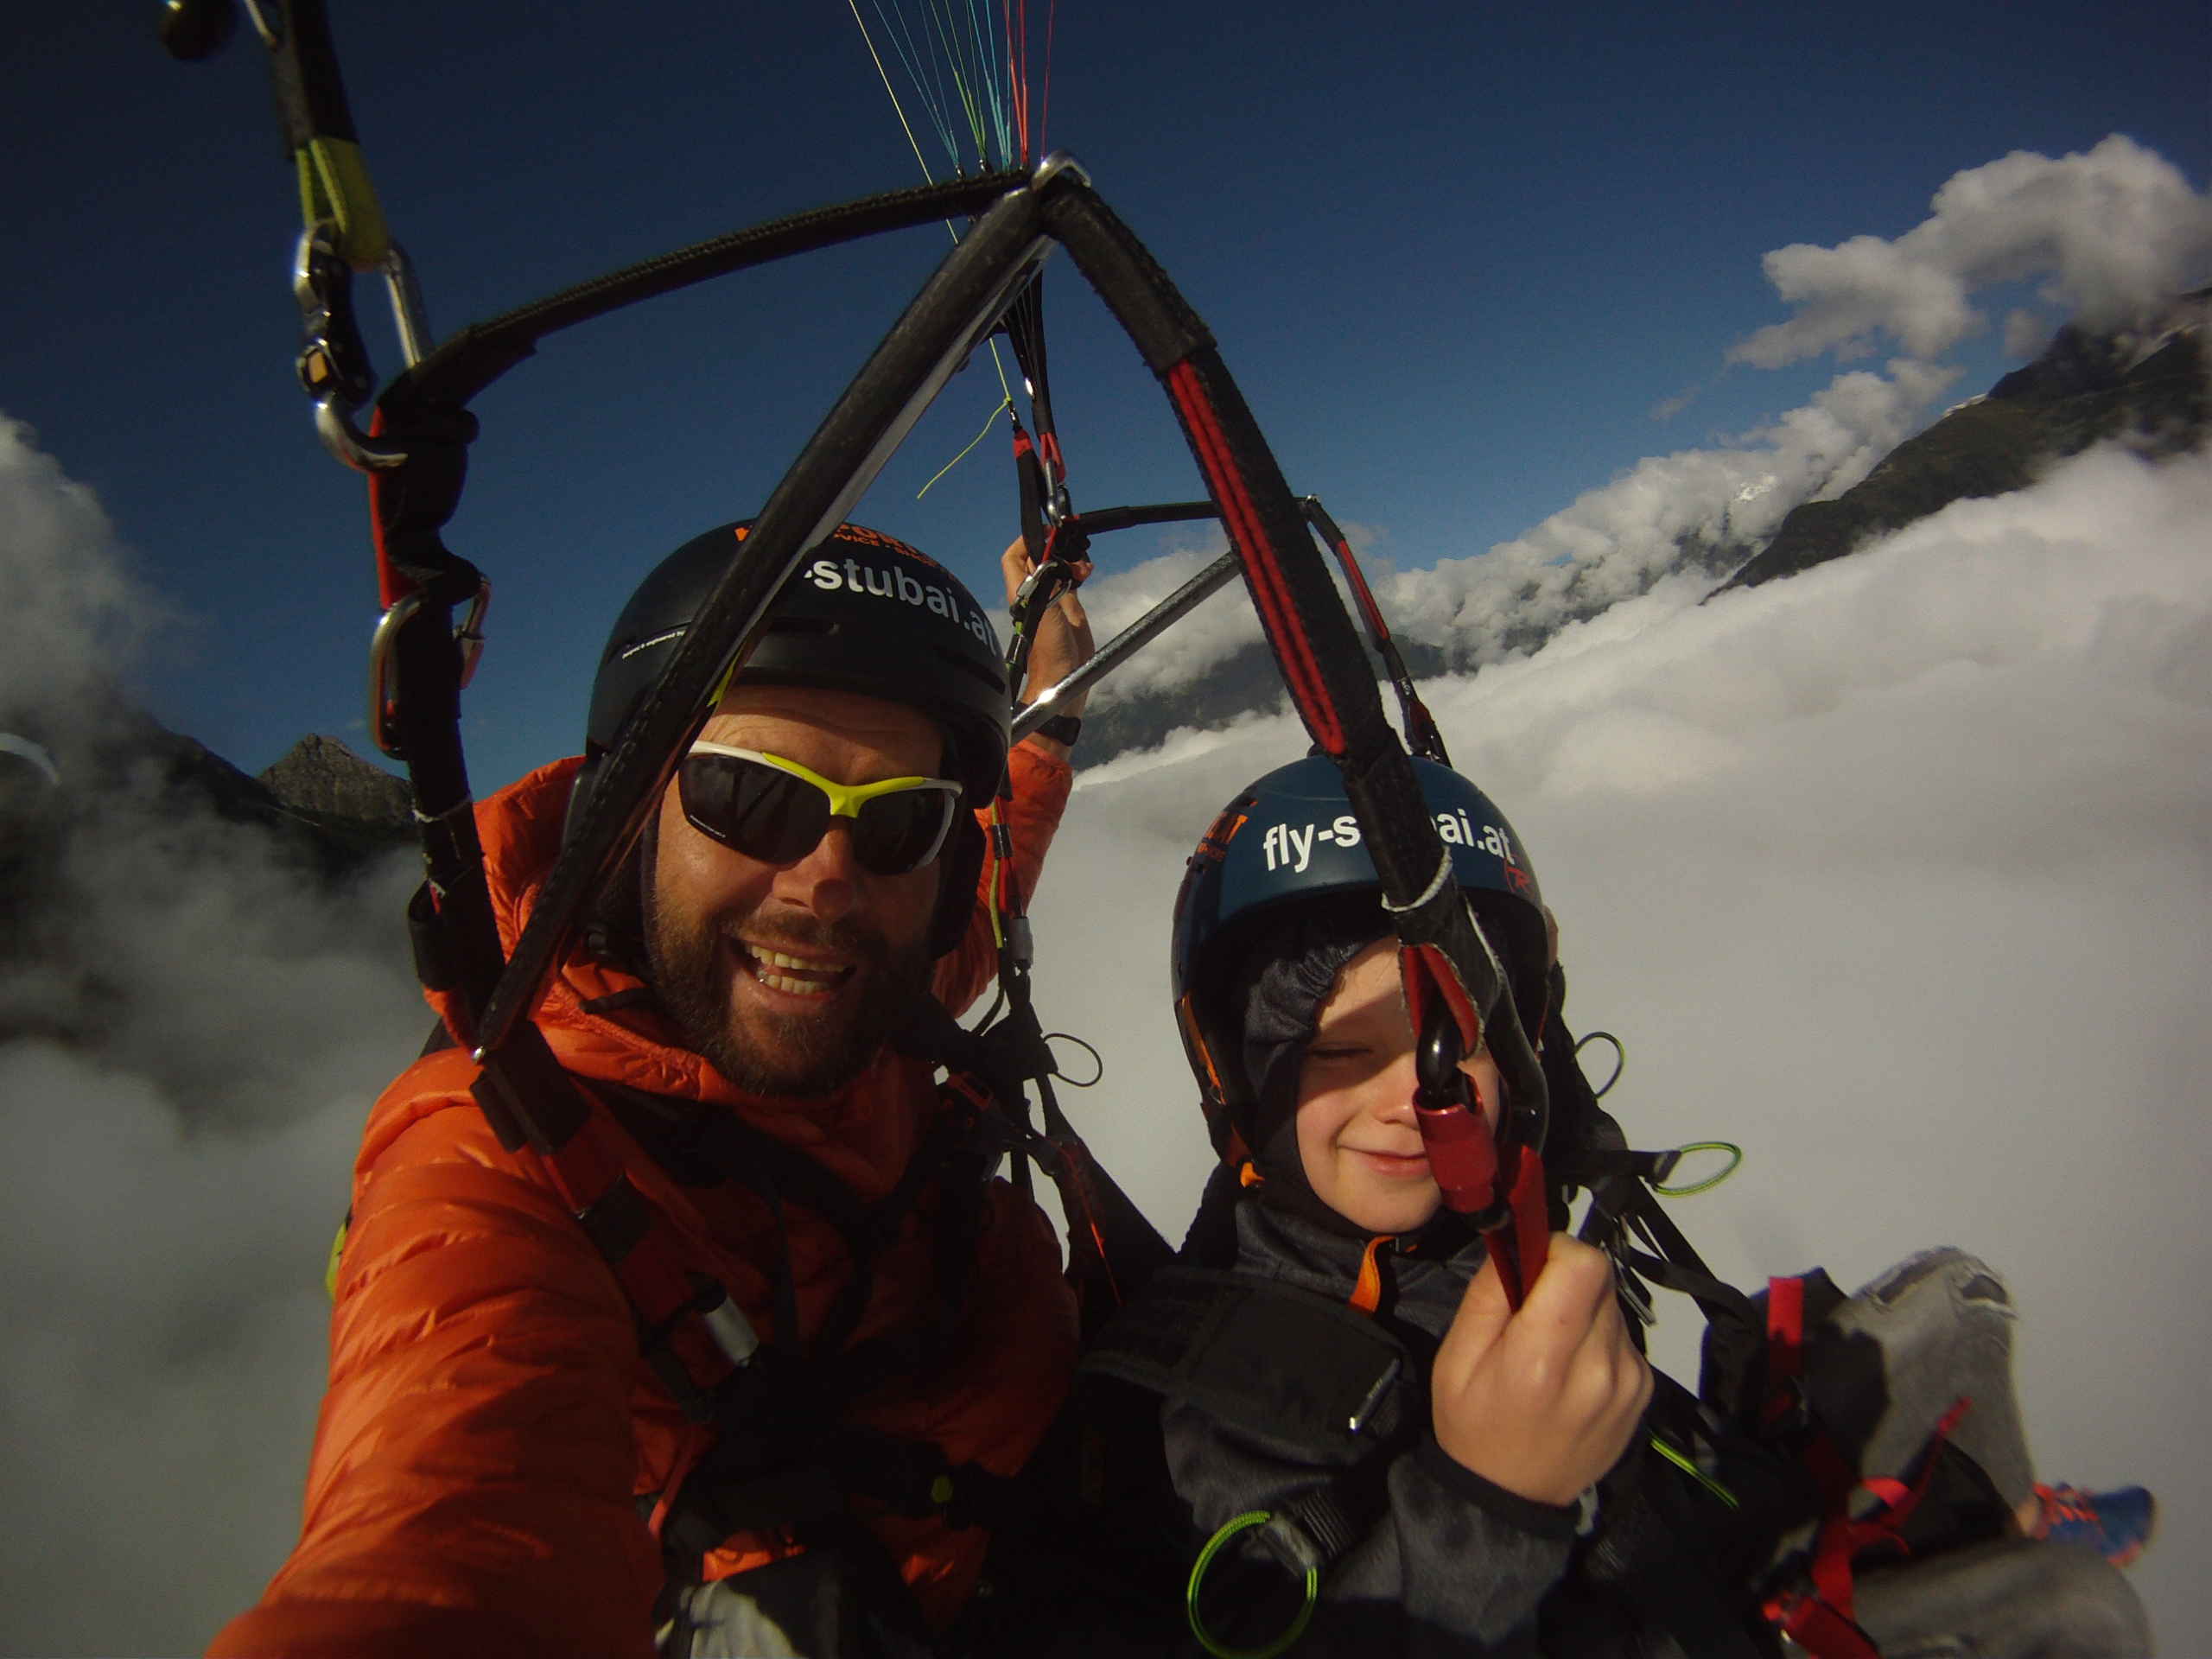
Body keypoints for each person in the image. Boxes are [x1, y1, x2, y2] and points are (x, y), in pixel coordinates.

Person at [208, 521, 1096, 1659]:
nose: (827, 882)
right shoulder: (503, 1154)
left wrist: (1051, 714)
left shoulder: (870, 989)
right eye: (752, 798)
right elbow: (446, 1512)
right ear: (627, 812)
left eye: (897, 821)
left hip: (1088, 1494)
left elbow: (978, 904)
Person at [1077, 752, 2154, 1657]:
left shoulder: (1480, 1206)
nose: (1417, 1099)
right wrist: (1487, 1503)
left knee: (1956, 1302)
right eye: (1339, 1052)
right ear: (1235, 1075)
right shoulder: (1221, 1397)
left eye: (1458, 1042)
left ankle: (1993, 1524)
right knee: (2071, 1610)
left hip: (1698, 1530)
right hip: (1657, 1620)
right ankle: (1994, 1559)